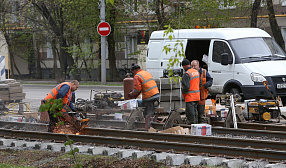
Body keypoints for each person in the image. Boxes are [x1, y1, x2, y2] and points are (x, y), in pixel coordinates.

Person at [128, 63, 159, 129]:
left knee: (147, 112)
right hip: (156, 93)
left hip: (149, 96)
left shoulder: (137, 76)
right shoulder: (146, 73)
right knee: (146, 107)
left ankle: (148, 127)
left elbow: (137, 89)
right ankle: (148, 123)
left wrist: (132, 94)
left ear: (135, 70)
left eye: (133, 71)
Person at [181, 58, 201, 124]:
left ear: (184, 66)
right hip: (197, 96)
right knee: (195, 112)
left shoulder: (187, 74)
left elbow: (186, 87)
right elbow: (200, 84)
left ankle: (192, 127)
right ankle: (196, 126)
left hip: (190, 97)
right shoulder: (196, 72)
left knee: (190, 114)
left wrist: (182, 91)